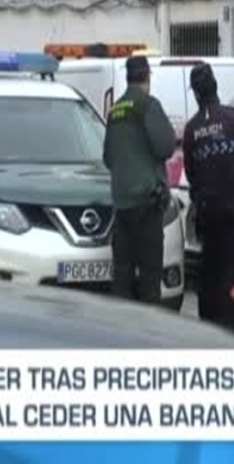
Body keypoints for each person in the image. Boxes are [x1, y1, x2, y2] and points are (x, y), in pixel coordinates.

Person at [182, 63, 234, 331]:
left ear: (196, 94)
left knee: (209, 271)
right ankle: (230, 324)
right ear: (216, 87)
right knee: (233, 271)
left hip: (208, 213)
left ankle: (208, 325)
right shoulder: (233, 119)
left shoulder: (192, 130)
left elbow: (191, 172)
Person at [103, 55, 176, 304]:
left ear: (127, 77)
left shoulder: (114, 111)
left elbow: (108, 158)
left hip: (122, 209)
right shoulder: (148, 105)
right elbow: (166, 146)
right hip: (147, 206)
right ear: (146, 77)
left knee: (122, 280)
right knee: (149, 281)